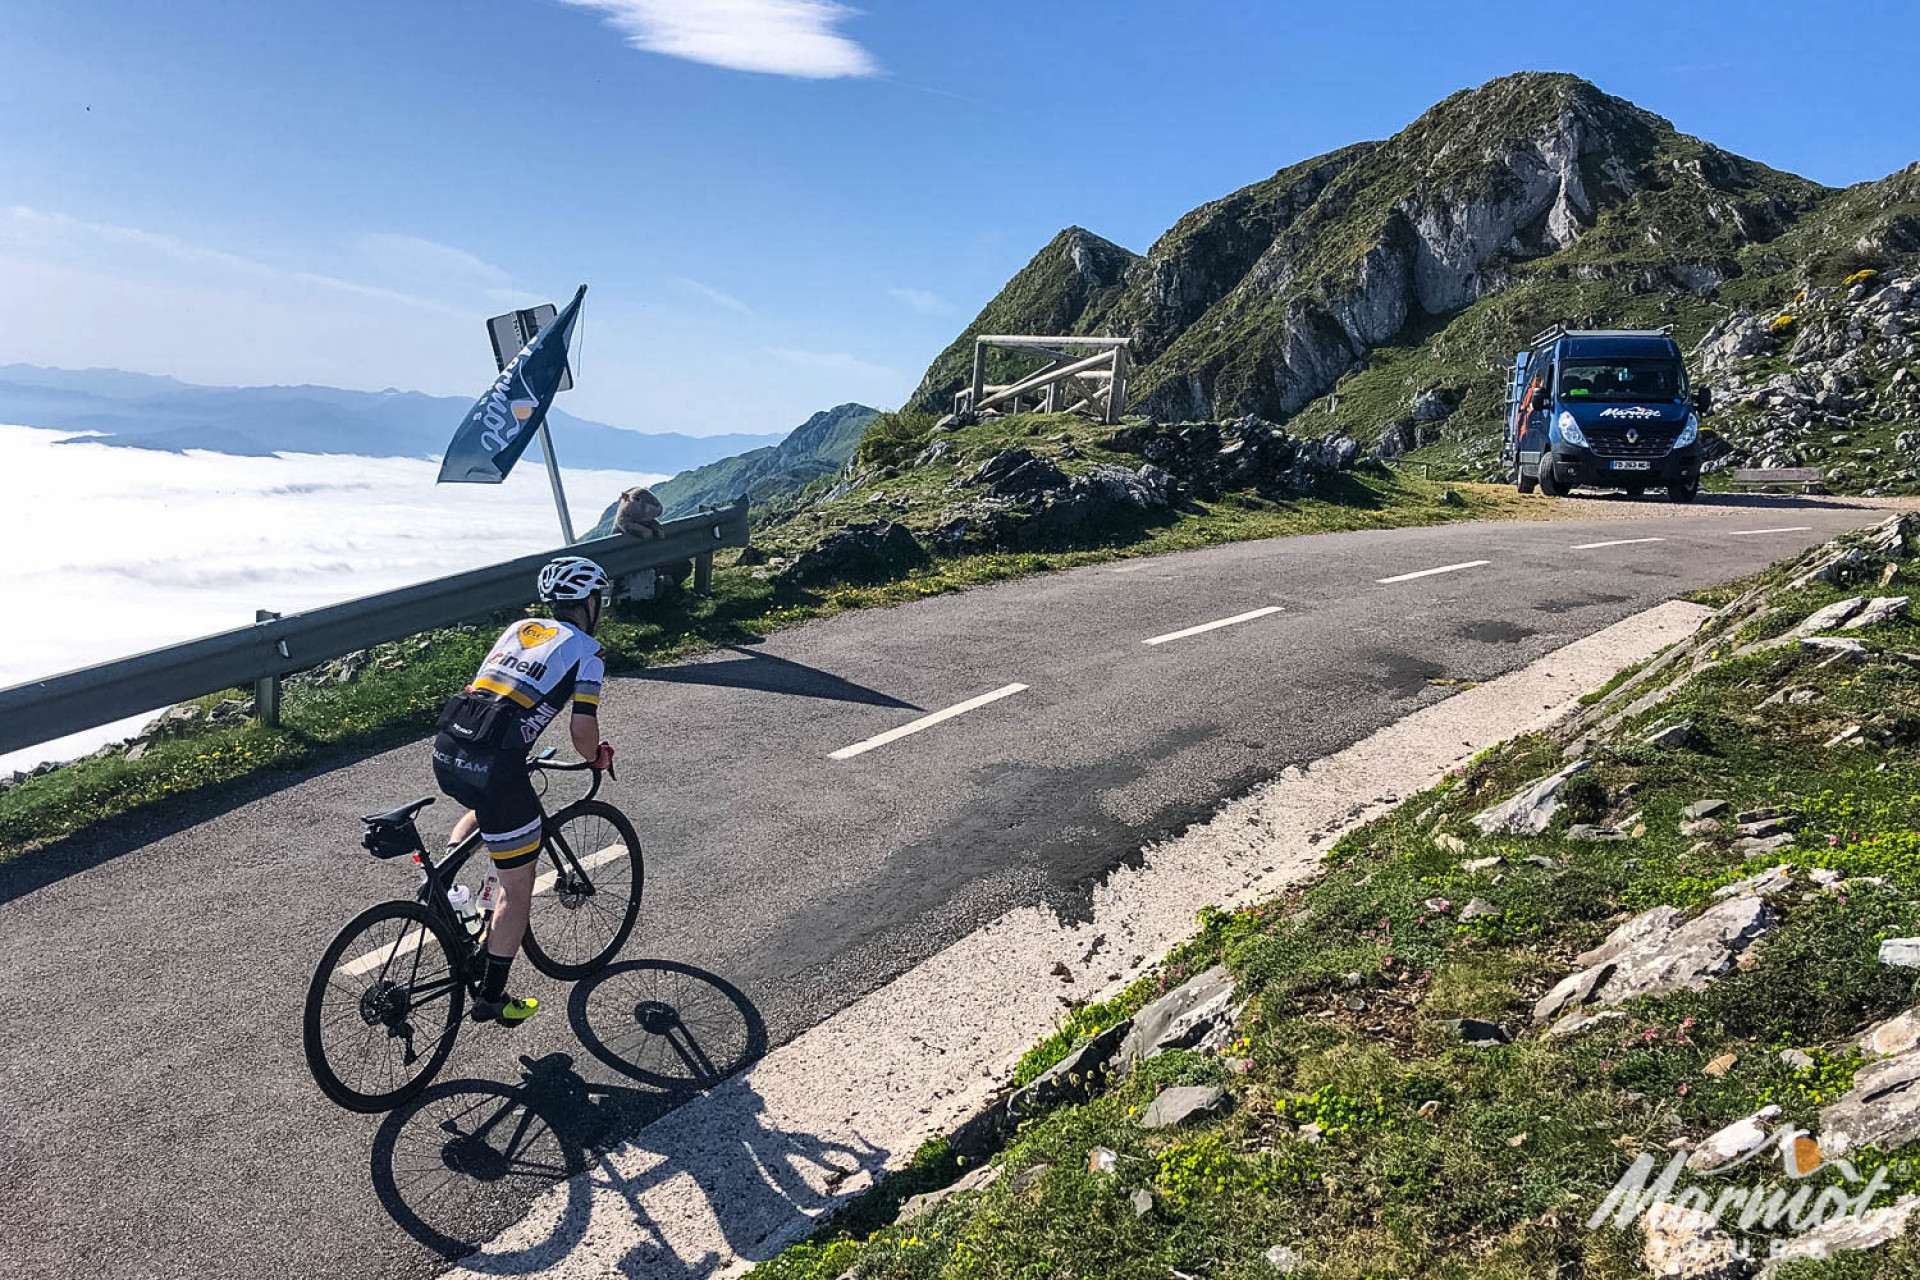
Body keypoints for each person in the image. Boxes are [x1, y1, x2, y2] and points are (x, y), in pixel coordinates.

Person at [431, 555, 616, 1024]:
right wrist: (595, 756)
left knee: (484, 804)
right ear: (591, 603)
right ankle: (493, 997)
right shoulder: (588, 651)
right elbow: (581, 728)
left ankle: (447, 888)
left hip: (452, 746)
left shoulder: (519, 628)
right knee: (518, 885)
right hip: (497, 761)